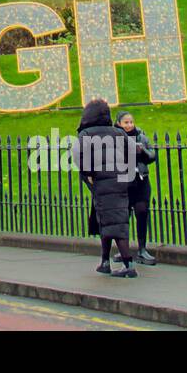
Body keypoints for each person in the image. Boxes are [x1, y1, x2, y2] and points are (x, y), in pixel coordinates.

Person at [77, 99, 136, 277]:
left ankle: (129, 265)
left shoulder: (86, 134)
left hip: (101, 182)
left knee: (113, 222)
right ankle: (104, 261)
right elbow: (131, 153)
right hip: (120, 180)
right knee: (107, 220)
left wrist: (90, 175)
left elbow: (82, 161)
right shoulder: (118, 133)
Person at [117, 110, 157, 265]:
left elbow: (152, 156)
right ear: (119, 124)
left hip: (141, 181)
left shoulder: (142, 137)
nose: (129, 125)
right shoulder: (115, 139)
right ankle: (124, 251)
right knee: (123, 217)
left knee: (141, 212)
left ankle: (142, 249)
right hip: (124, 181)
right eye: (126, 122)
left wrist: (143, 152)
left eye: (131, 122)